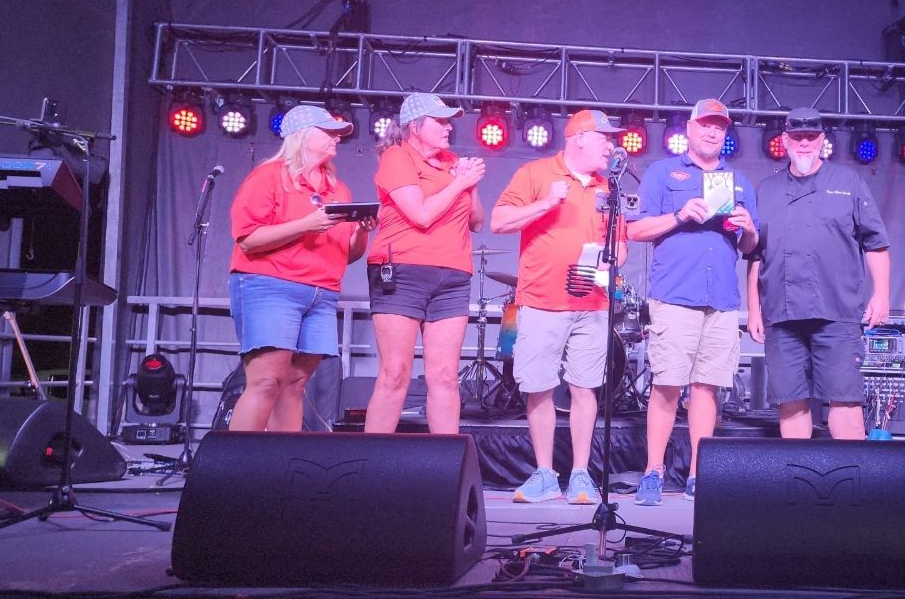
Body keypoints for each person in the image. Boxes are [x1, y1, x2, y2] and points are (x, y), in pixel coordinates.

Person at [626, 99, 759, 505]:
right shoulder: (662, 173)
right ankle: (654, 470)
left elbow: (751, 247)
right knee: (667, 384)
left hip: (720, 299)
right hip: (675, 297)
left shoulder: (738, 182)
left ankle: (700, 476)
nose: (712, 132)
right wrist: (681, 215)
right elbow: (636, 230)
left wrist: (750, 228)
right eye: (706, 124)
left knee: (707, 387)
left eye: (719, 127)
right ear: (691, 126)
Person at [491, 109, 627, 504]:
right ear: (580, 138)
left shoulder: (609, 188)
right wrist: (546, 203)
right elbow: (498, 221)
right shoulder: (535, 174)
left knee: (585, 389)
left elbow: (620, 243)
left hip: (593, 303)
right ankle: (545, 473)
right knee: (539, 387)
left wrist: (610, 258)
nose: (611, 145)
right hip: (541, 300)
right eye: (604, 138)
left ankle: (581, 474)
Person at [746, 107, 890, 440]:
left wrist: (881, 294)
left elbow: (877, 243)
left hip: (837, 311)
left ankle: (851, 487)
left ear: (823, 140)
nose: (805, 143)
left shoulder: (847, 183)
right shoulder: (766, 190)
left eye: (812, 137)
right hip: (781, 314)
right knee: (791, 401)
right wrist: (754, 307)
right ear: (784, 141)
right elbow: (755, 255)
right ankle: (799, 483)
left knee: (845, 400)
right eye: (797, 137)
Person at [226, 104, 370, 431]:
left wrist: (361, 231)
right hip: (270, 286)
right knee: (266, 381)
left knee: (295, 385)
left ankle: (281, 470)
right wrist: (306, 224)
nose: (336, 138)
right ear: (302, 136)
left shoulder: (338, 188)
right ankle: (236, 473)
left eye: (338, 133)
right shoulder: (268, 175)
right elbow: (248, 239)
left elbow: (348, 254)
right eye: (328, 132)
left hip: (322, 294)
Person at [361, 92, 487, 435]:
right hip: (403, 270)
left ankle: (445, 466)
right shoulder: (397, 157)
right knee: (395, 371)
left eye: (449, 121)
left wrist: (470, 186)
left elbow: (476, 221)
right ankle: (370, 463)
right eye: (440, 121)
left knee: (445, 375)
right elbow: (421, 215)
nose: (448, 128)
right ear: (415, 127)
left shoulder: (450, 162)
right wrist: (460, 182)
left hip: (453, 274)